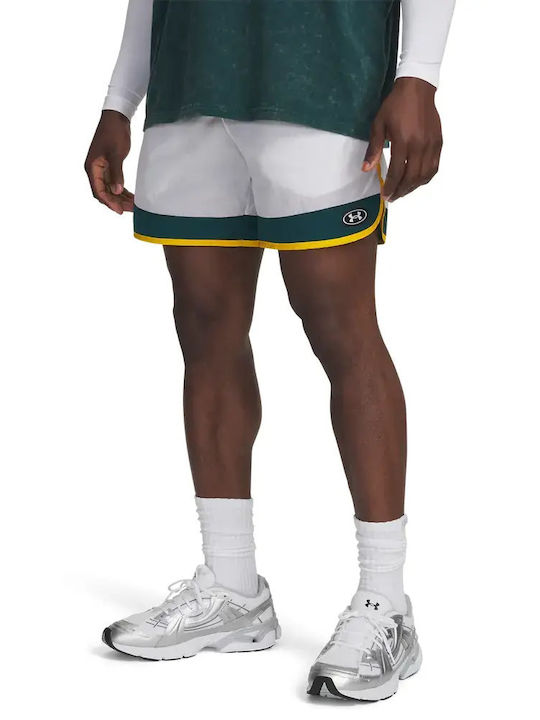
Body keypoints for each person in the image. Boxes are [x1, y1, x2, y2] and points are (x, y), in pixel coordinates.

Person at [85, 0, 455, 701]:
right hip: (188, 88)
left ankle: (387, 603)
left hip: (322, 84)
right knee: (205, 329)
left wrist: (420, 76)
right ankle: (232, 588)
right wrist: (118, 101)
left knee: (340, 329)